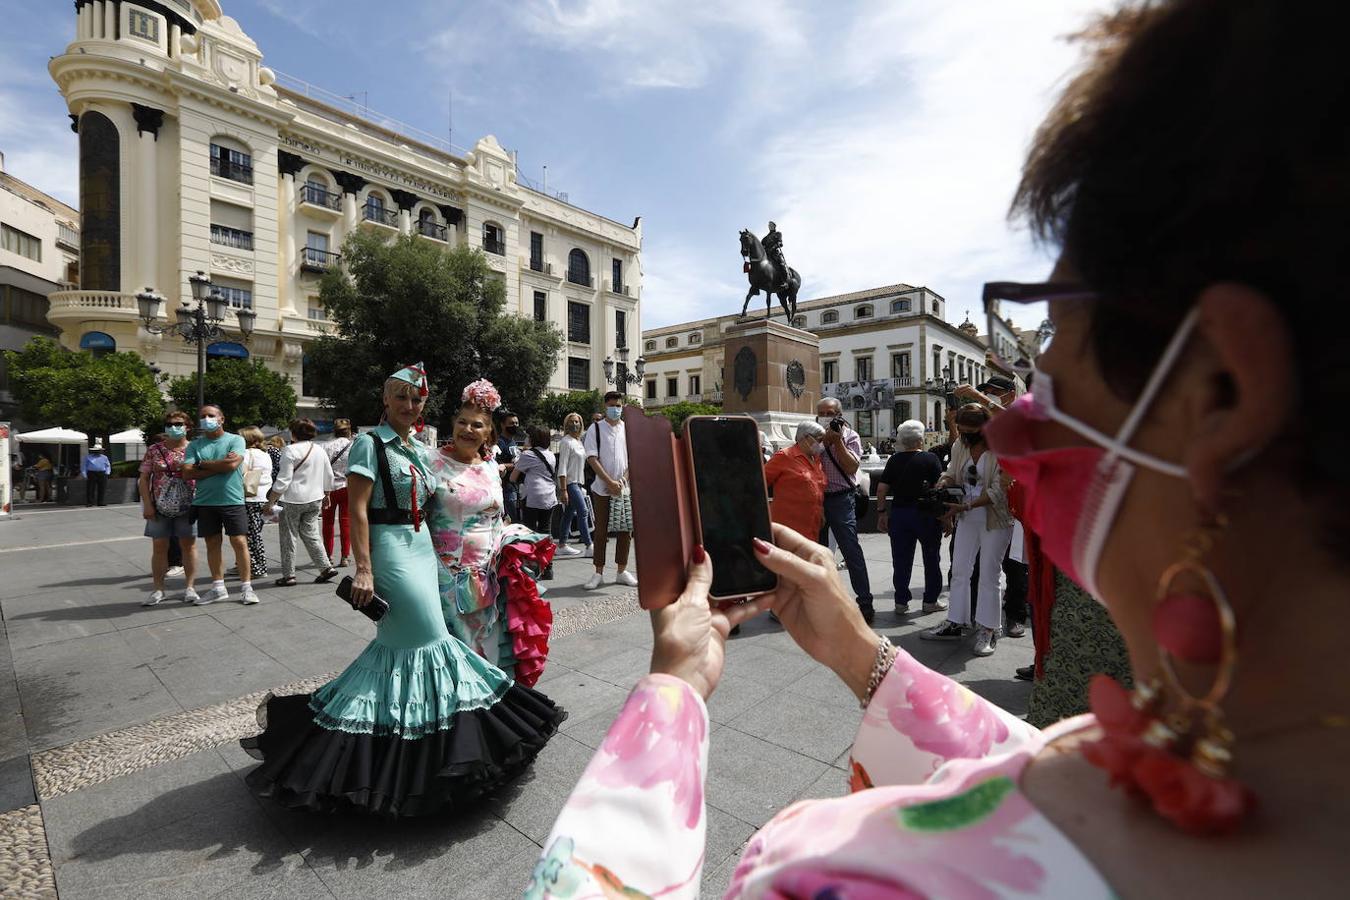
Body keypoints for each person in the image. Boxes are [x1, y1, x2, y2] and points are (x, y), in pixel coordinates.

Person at [241, 364, 566, 815]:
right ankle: (422, 757)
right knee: (430, 644)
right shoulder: (368, 442)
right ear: (386, 397)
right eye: (401, 397)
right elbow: (356, 509)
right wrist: (364, 569)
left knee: (406, 653)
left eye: (416, 399)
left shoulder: (416, 445)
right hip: (391, 549)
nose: (409, 405)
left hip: (422, 549)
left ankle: (413, 751)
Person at [429, 380, 557, 685]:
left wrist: (517, 543)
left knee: (487, 655)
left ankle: (486, 721)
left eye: (477, 425)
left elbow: (498, 515)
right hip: (443, 580)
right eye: (462, 422)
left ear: (489, 433)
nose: (468, 430)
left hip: (488, 579)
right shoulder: (430, 462)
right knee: (453, 658)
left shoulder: (489, 466)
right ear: (452, 424)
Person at [921, 404, 1012, 656]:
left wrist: (966, 505)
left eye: (970, 431)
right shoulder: (960, 445)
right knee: (960, 569)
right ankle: (955, 621)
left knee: (989, 574)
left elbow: (998, 489)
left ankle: (989, 628)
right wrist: (943, 484)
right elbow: (951, 472)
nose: (964, 435)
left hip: (994, 517)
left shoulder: (1001, 448)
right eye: (961, 430)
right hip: (966, 515)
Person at [182, 405, 257, 605]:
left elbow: (232, 465)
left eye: (211, 415)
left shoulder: (235, 439)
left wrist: (203, 464)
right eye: (203, 416)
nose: (206, 419)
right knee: (212, 544)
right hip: (205, 502)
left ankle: (246, 588)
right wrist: (220, 465)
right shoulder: (195, 445)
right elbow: (187, 472)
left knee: (239, 542)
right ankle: (218, 588)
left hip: (232, 500)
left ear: (221, 419)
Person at [874, 418, 947, 616]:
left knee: (901, 560)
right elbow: (940, 487)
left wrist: (881, 512)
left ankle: (901, 602)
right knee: (931, 558)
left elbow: (881, 488)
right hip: (926, 515)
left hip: (899, 514)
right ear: (921, 440)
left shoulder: (894, 460)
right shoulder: (930, 459)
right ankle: (930, 601)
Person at [815, 396, 874, 622]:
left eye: (829, 412)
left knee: (850, 549)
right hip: (816, 499)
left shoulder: (851, 436)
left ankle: (865, 602)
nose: (825, 416)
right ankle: (821, 601)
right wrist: (823, 442)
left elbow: (851, 466)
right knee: (817, 552)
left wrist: (837, 440)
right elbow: (805, 460)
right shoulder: (810, 435)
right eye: (821, 412)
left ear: (839, 414)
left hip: (841, 499)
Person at [266, 418, 338, 586]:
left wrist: (271, 501)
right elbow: (329, 475)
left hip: (293, 499)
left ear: (293, 433)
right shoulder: (319, 449)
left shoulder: (290, 450)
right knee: (311, 534)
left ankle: (289, 575)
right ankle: (326, 567)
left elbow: (283, 480)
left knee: (288, 537)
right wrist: (327, 494)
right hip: (315, 498)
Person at [138, 413, 198, 606]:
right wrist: (147, 503)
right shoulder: (154, 450)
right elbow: (144, 478)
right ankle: (158, 589)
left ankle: (190, 587)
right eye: (169, 424)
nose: (173, 427)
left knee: (188, 546)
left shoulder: (195, 448)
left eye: (178, 424)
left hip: (189, 504)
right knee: (159, 546)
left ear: (187, 426)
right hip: (159, 505)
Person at [582, 391, 635, 590]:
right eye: (612, 405)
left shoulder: (627, 429)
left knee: (625, 529)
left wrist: (622, 481)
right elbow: (592, 458)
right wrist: (609, 481)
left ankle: (622, 570)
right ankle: (598, 572)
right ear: (606, 406)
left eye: (619, 405)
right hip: (602, 488)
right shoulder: (596, 429)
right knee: (601, 531)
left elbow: (632, 457)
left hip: (623, 488)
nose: (616, 409)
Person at [762, 420, 827, 541]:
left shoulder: (816, 459)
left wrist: (820, 511)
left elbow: (818, 488)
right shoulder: (784, 456)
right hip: (788, 527)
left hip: (811, 526)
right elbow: (760, 482)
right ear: (807, 438)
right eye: (819, 440)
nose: (821, 444)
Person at [511, 424, 561, 580]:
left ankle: (531, 569)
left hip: (532, 497)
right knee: (546, 532)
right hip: (549, 496)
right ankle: (548, 567)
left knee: (530, 533)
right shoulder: (551, 455)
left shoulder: (528, 455)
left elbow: (513, 477)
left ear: (533, 438)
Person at [553, 413, 592, 558]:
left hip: (578, 483)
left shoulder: (579, 442)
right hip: (570, 484)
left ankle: (562, 544)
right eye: (571, 421)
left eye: (577, 421)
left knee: (568, 514)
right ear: (566, 424)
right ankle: (589, 545)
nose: (574, 424)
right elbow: (562, 467)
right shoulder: (566, 441)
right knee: (583, 512)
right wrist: (563, 490)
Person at [238, 426, 272, 581]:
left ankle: (258, 567)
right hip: (263, 497)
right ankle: (245, 564)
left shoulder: (245, 454)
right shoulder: (265, 454)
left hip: (249, 497)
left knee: (251, 536)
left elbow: (240, 473)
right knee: (255, 532)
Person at [322, 418, 354, 567]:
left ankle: (328, 556)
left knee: (328, 523)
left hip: (328, 488)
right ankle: (345, 557)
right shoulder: (353, 445)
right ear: (348, 430)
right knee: (346, 523)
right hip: (347, 487)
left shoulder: (326, 446)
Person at [494, 407, 523, 523]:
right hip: (506, 487)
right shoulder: (499, 442)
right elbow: (497, 464)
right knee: (512, 520)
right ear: (502, 425)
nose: (515, 425)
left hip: (515, 486)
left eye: (516, 423)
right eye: (511, 423)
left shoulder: (513, 441)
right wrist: (515, 465)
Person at [81, 440, 111, 507]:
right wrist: (84, 474)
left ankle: (101, 502)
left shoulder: (104, 457)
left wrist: (107, 473)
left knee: (102, 488)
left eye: (99, 450)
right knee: (90, 488)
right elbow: (84, 466)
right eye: (96, 450)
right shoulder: (88, 457)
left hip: (102, 473)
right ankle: (90, 502)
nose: (98, 451)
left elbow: (107, 465)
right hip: (91, 473)